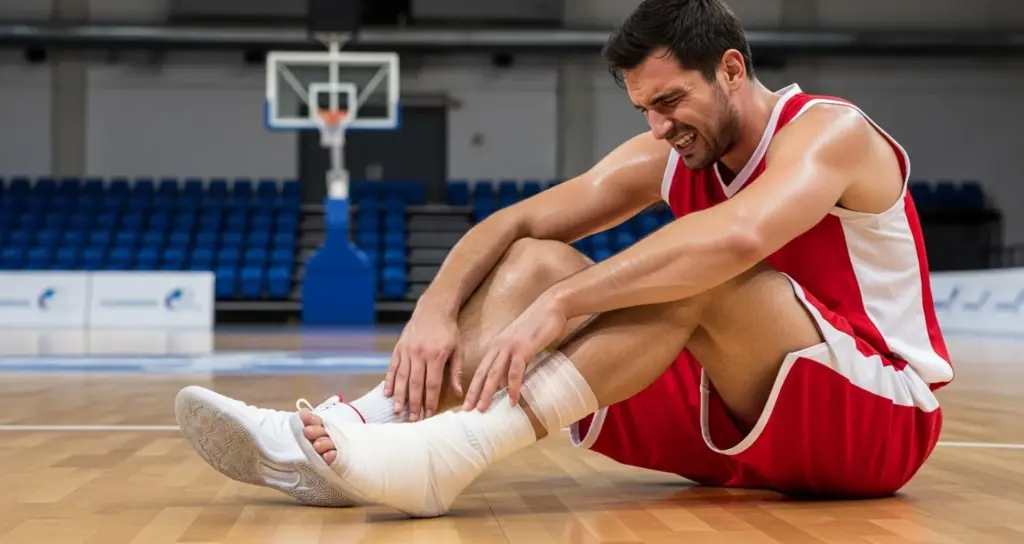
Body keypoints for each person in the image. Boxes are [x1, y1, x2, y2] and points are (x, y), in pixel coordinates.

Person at [176, 0, 953, 516]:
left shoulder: (831, 133)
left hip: (877, 422)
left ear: (731, 70)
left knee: (698, 269)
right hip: (734, 421)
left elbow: (739, 238)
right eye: (642, 109)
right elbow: (516, 223)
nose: (656, 127)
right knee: (537, 260)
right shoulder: (672, 152)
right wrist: (434, 310)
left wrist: (566, 308)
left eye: (670, 101)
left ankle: (449, 455)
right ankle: (365, 430)